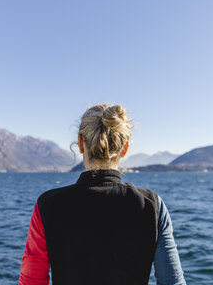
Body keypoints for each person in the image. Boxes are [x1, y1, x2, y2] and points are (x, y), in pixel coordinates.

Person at [19, 104, 186, 285]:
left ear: (81, 143)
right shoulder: (152, 205)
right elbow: (172, 282)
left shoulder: (48, 205)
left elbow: (31, 282)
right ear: (125, 148)